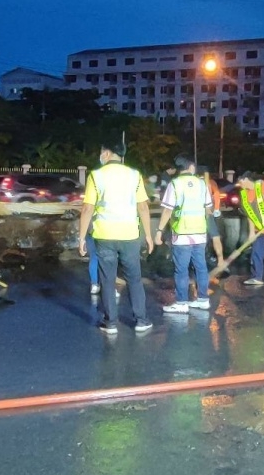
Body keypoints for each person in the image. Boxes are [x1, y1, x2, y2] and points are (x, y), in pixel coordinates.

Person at [78, 139, 154, 334]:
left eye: (102, 151)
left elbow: (87, 208)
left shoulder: (96, 175)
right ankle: (141, 320)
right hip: (129, 235)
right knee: (134, 279)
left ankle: (110, 323)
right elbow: (143, 206)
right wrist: (149, 235)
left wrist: (80, 238)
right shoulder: (134, 175)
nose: (101, 155)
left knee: (107, 279)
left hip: (104, 235)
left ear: (108, 153)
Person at [157, 155, 212, 314]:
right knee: (201, 267)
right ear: (191, 168)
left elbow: (167, 209)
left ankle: (181, 303)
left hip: (182, 233)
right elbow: (208, 209)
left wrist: (159, 231)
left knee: (181, 270)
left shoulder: (175, 184)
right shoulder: (202, 184)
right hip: (200, 233)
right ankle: (203, 300)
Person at [201, 167, 226, 263]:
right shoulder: (208, 183)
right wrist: (216, 209)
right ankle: (217, 259)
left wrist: (216, 209)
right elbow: (216, 195)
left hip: (206, 215)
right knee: (213, 237)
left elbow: (216, 195)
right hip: (207, 214)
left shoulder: (209, 183)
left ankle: (214, 258)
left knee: (213, 237)